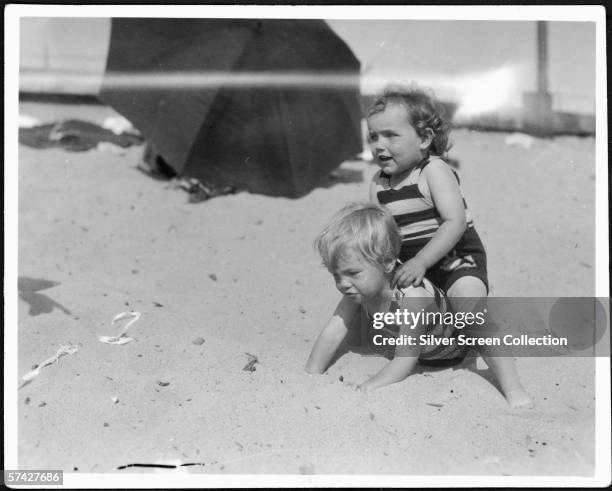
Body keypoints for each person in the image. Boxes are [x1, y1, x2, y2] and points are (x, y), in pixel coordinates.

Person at [366, 83, 533, 408]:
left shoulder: (434, 171)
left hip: (457, 259)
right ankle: (419, 353)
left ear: (425, 138)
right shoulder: (378, 184)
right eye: (373, 136)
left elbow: (454, 223)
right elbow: (381, 234)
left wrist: (422, 263)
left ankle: (512, 386)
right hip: (415, 266)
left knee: (470, 312)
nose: (379, 145)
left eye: (391, 135)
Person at [305, 202, 465, 393]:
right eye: (336, 274)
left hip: (445, 356)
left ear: (388, 262)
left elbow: (405, 359)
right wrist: (311, 374)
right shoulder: (358, 288)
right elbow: (334, 331)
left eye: (353, 272)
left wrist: (367, 386)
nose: (343, 283)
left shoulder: (412, 297)